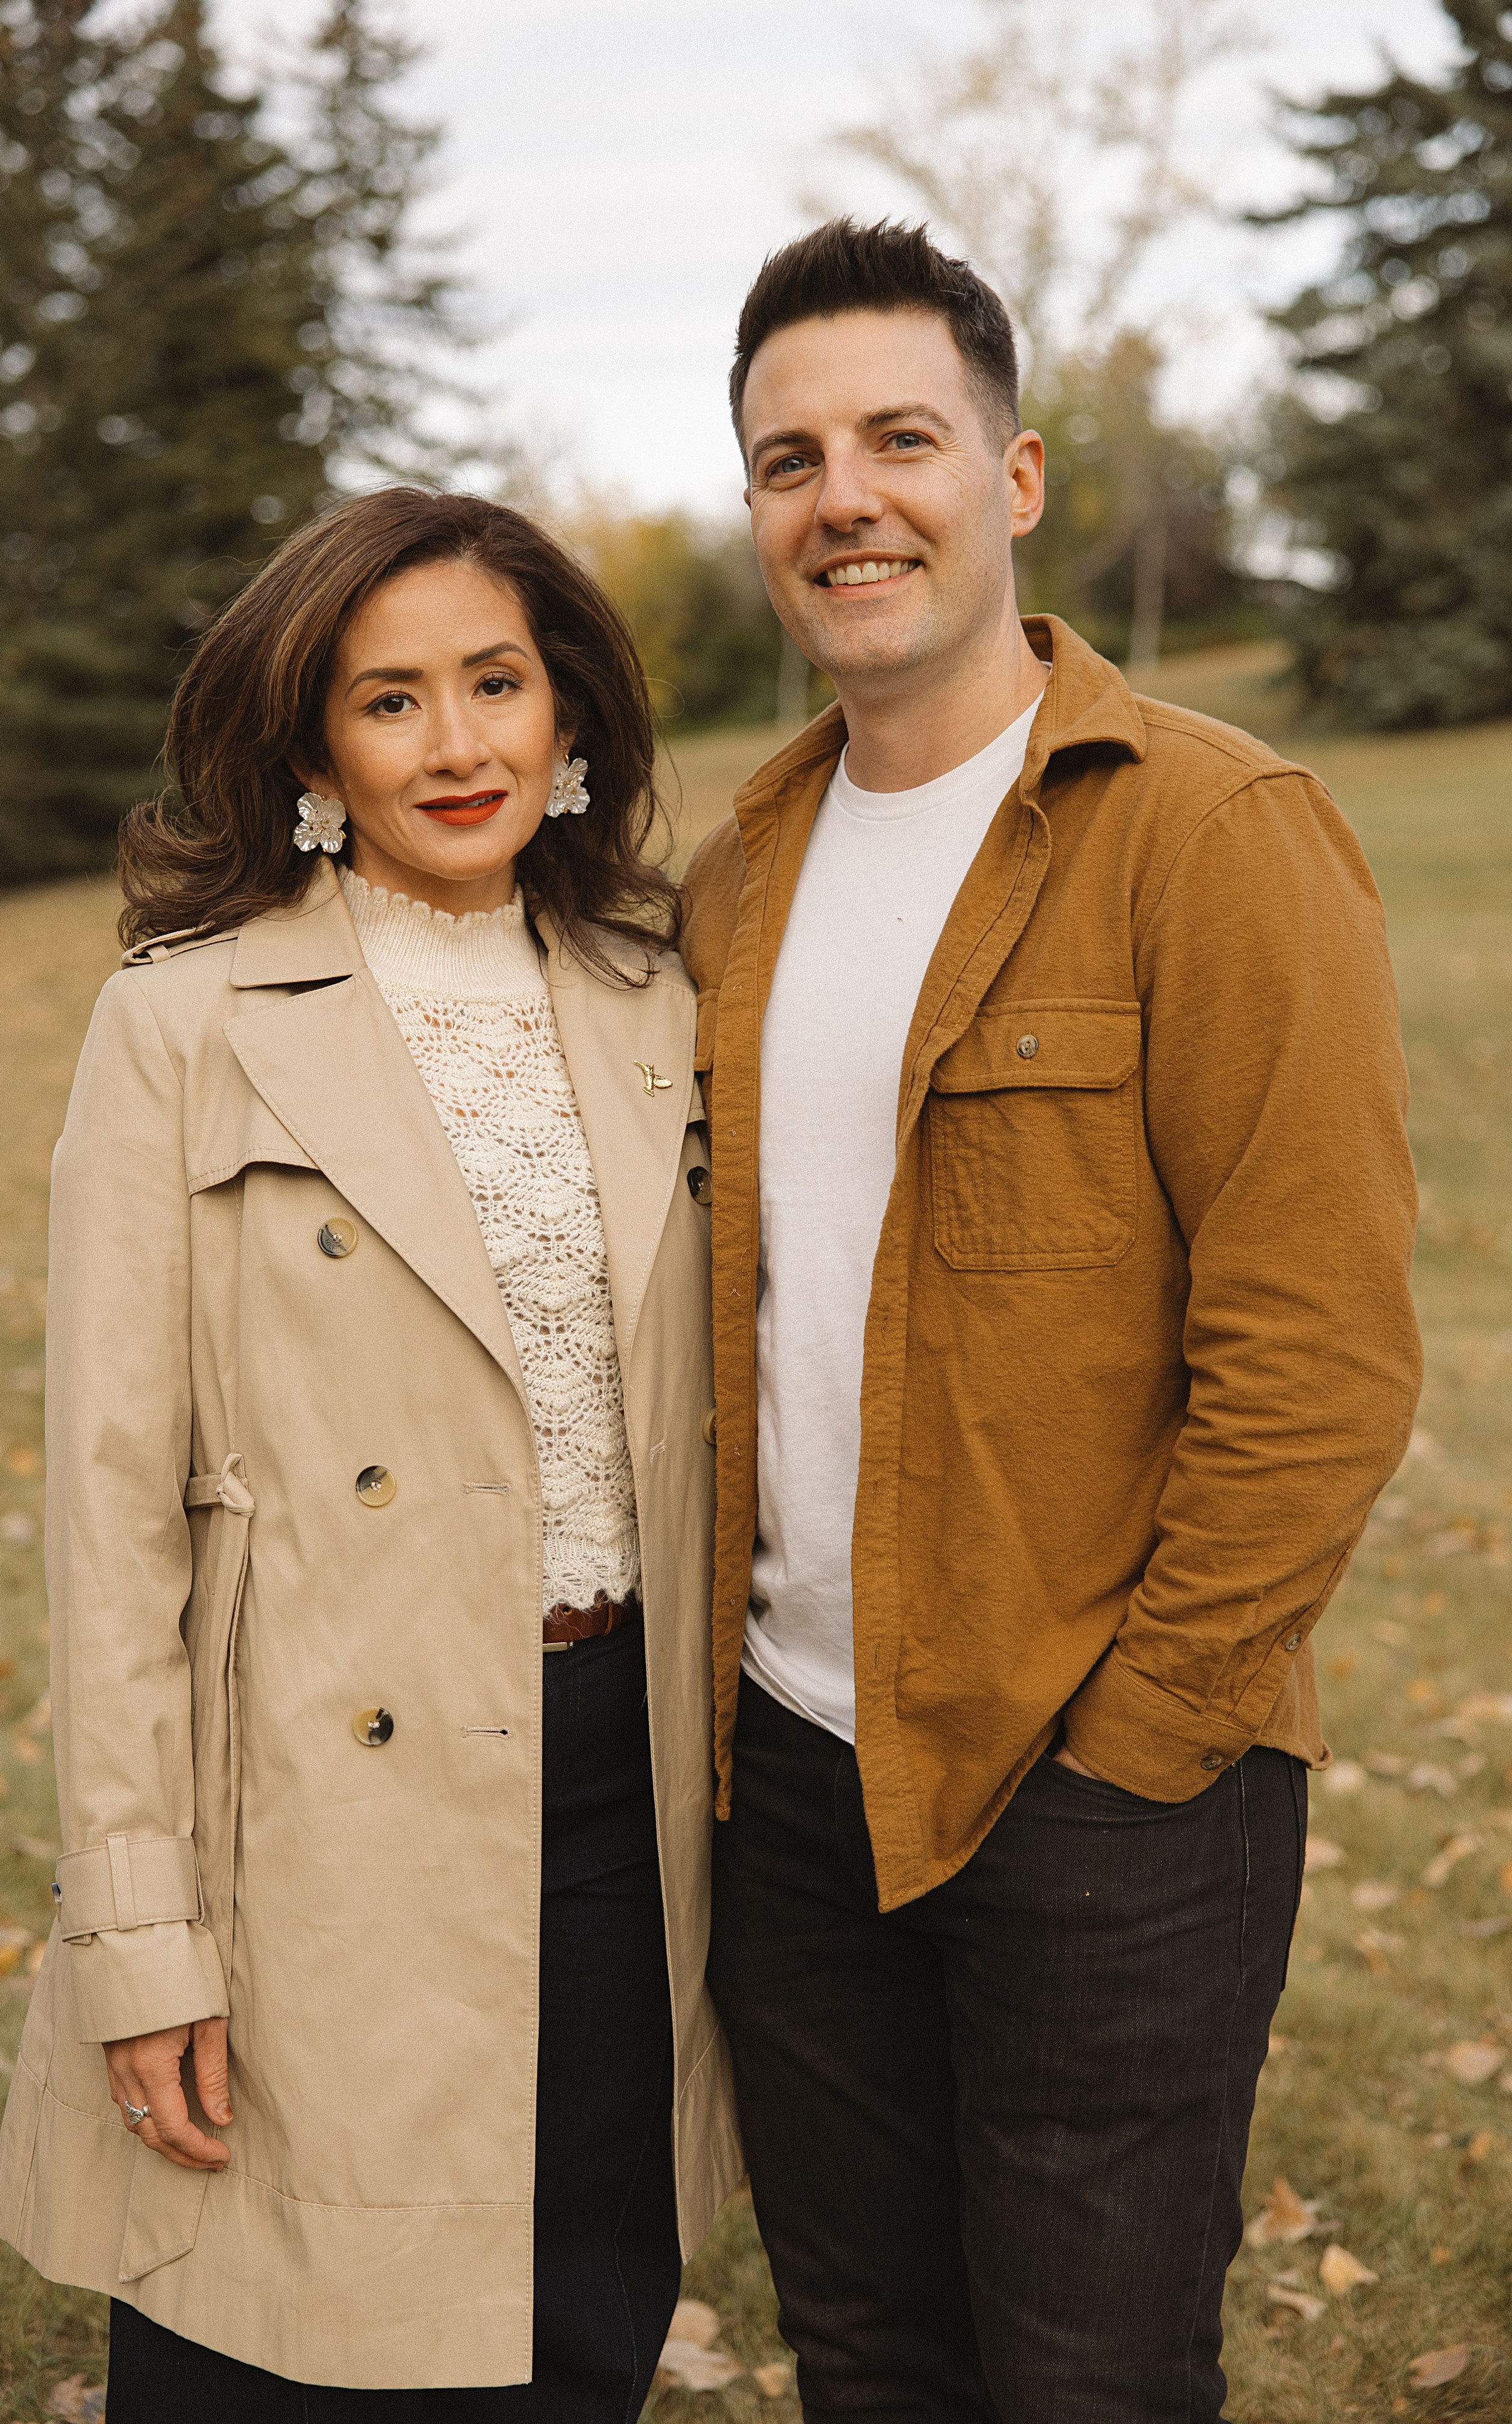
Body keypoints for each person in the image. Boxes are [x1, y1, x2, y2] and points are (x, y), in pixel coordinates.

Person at [681, 218, 1421, 2424]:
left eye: (902, 438)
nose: (847, 498)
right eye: (790, 458)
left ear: (1011, 480)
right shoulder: (736, 873)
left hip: (1100, 1786)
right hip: (790, 1778)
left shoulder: (1209, 833)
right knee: (881, 2361)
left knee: (1089, 2378)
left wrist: (1146, 1738)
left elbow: (1321, 1361)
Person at [0, 488, 740, 2420]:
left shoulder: (669, 1002)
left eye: (497, 682)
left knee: (566, 2337)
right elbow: (107, 1521)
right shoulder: (183, 1024)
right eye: (390, 700)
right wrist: (140, 1940)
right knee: (286, 2353)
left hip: (616, 1785)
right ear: (314, 746)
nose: (459, 742)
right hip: (312, 1829)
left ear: (572, 715)